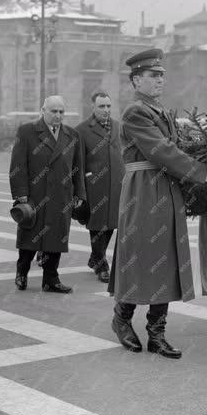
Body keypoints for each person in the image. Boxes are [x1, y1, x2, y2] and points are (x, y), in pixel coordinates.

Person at [111, 49, 207, 359]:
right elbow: (161, 151)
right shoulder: (135, 112)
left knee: (165, 258)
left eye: (162, 74)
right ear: (136, 80)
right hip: (143, 192)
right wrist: (202, 173)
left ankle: (156, 333)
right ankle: (121, 318)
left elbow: (177, 148)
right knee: (141, 257)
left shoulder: (161, 111)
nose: (161, 79)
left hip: (166, 190)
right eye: (153, 75)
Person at [9, 95, 86, 294]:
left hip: (61, 196)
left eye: (61, 111)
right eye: (54, 111)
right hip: (34, 195)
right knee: (29, 237)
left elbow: (77, 167)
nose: (58, 115)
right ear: (43, 110)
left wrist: (79, 194)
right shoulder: (27, 131)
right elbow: (18, 165)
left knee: (56, 238)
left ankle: (51, 279)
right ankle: (22, 272)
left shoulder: (72, 135)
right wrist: (20, 194)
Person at [75, 91, 124, 283]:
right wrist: (80, 189)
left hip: (116, 185)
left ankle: (95, 258)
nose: (106, 110)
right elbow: (77, 162)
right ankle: (102, 266)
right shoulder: (82, 130)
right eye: (101, 106)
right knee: (97, 227)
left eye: (108, 106)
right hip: (94, 186)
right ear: (93, 108)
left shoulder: (118, 127)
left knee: (111, 224)